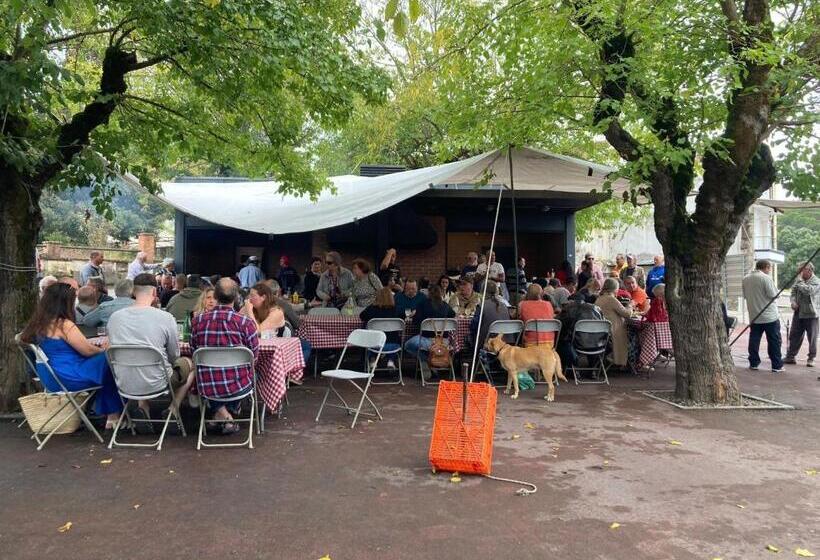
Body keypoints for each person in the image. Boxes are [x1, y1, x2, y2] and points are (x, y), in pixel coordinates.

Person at [20, 283, 122, 428]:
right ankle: (113, 415)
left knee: (105, 366)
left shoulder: (38, 324)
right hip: (70, 375)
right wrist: (105, 349)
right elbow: (87, 351)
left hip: (51, 376)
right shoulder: (63, 324)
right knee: (110, 359)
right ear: (65, 302)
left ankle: (111, 414)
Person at [107, 273, 195, 413]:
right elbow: (174, 355)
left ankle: (143, 407)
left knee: (140, 358)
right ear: (154, 292)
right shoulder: (166, 318)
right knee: (190, 363)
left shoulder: (114, 318)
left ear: (133, 291)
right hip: (158, 383)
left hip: (124, 382)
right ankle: (173, 408)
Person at [190, 278, 259, 434]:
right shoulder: (245, 323)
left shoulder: (197, 321)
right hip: (238, 385)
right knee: (257, 374)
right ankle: (227, 416)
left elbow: (194, 352)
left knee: (212, 379)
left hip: (206, 385)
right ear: (236, 297)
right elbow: (254, 357)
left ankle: (218, 414)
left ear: (215, 295)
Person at [742, 259, 783, 373]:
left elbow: (745, 295)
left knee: (754, 339)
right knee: (774, 340)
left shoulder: (746, 278)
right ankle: (776, 365)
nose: (769, 270)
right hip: (769, 316)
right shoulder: (765, 278)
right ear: (766, 267)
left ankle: (753, 363)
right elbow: (773, 295)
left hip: (754, 315)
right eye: (769, 268)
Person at [404, 285, 456, 369]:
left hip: (426, 340)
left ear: (428, 293)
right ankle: (434, 360)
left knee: (407, 345)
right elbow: (453, 315)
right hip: (444, 342)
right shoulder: (446, 306)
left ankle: (426, 360)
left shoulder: (422, 304)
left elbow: (416, 322)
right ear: (440, 294)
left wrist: (414, 314)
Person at [785, 262, 818, 367]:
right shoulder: (799, 280)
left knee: (812, 337)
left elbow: (808, 291)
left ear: (809, 270)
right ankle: (790, 356)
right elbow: (793, 292)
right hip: (798, 312)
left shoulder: (816, 281)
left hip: (811, 314)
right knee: (794, 335)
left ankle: (811, 358)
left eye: (801, 270)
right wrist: (793, 302)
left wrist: (799, 282)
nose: (798, 272)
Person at [359, 287, 402, 369]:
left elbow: (362, 316)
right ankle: (391, 360)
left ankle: (372, 359)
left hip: (374, 344)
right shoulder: (397, 310)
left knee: (368, 334)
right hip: (393, 345)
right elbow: (403, 316)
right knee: (395, 337)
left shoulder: (372, 309)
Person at [595, 278, 632, 367]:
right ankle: (626, 362)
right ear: (615, 288)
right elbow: (627, 314)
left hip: (602, 331)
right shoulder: (611, 299)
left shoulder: (600, 298)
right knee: (634, 337)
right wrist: (630, 306)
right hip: (613, 330)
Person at [471, 280, 511, 351]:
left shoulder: (482, 306)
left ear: (483, 292)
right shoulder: (504, 306)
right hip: (504, 343)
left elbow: (473, 326)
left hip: (487, 343)